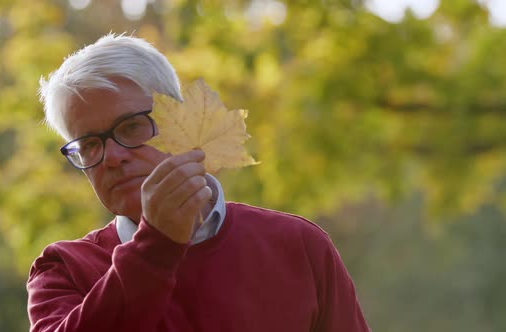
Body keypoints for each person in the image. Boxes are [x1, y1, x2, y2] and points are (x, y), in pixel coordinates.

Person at [27, 33, 370, 332]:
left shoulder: (298, 246)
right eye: (88, 144)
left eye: (131, 126)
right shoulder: (63, 270)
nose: (113, 157)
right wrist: (157, 245)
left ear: (182, 121)